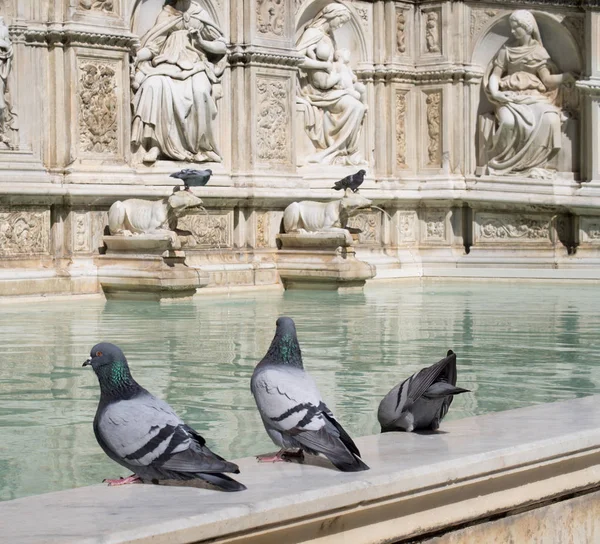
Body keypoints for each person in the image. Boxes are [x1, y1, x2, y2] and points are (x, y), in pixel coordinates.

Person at [131, 0, 227, 164]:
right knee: (153, 84)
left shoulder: (200, 14)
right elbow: (154, 46)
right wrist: (136, 57)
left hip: (195, 65)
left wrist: (201, 42)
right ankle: (156, 145)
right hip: (167, 64)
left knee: (201, 91)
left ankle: (203, 147)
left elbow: (222, 46)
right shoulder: (166, 14)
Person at [483, 10, 576, 177]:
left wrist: (565, 77)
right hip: (510, 96)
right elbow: (495, 75)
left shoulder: (538, 52)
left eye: (516, 27)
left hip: (534, 96)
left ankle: (534, 164)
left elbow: (546, 80)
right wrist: (496, 94)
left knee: (550, 117)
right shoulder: (507, 51)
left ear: (527, 27)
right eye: (512, 27)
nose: (512, 31)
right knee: (508, 122)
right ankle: (505, 165)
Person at [296, 4, 367, 166]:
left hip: (331, 87)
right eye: (340, 21)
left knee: (359, 104)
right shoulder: (312, 34)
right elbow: (297, 58)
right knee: (355, 107)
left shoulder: (329, 36)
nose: (340, 25)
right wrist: (322, 66)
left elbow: (334, 62)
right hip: (316, 90)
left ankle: (347, 153)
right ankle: (333, 152)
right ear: (331, 16)